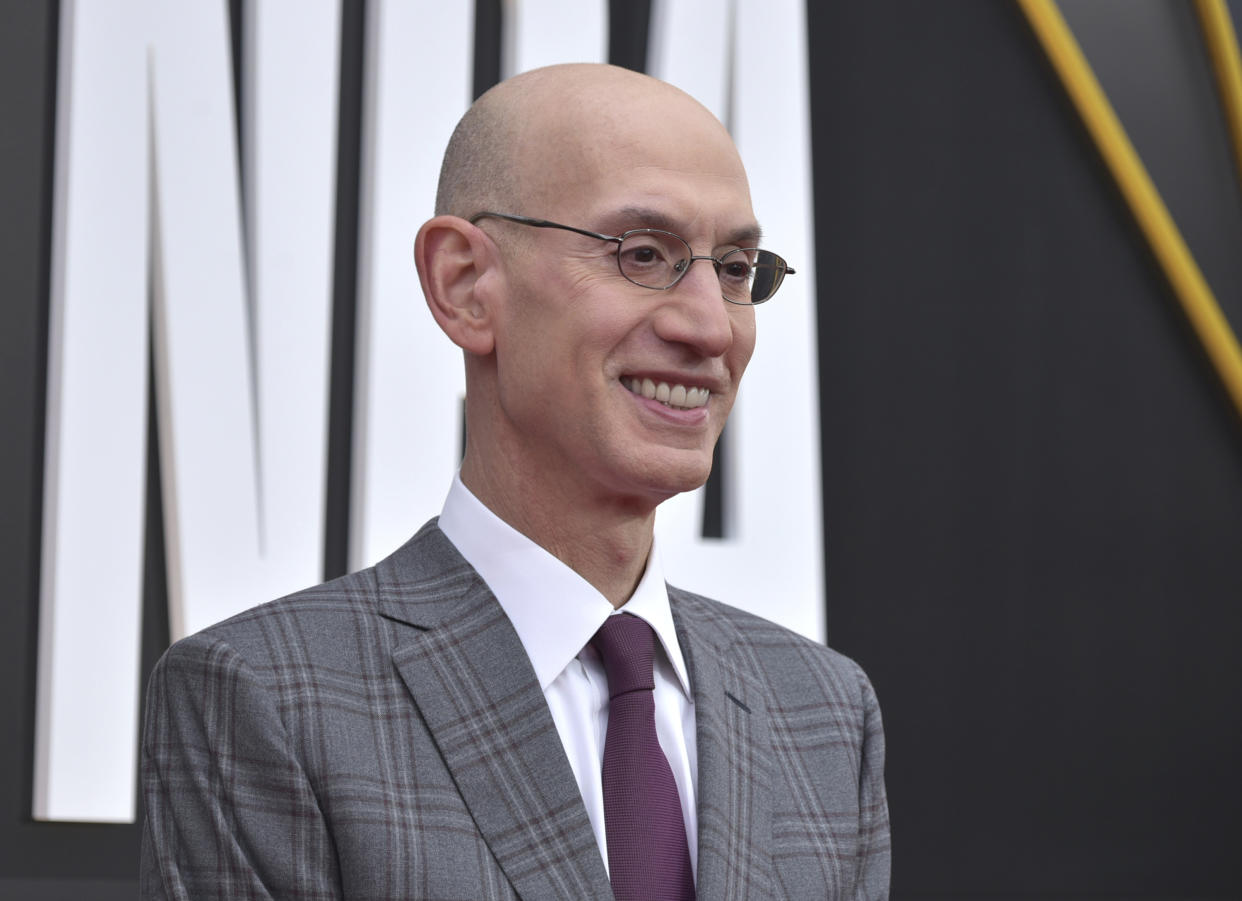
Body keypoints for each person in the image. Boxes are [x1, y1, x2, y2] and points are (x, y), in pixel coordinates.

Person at [140, 63, 890, 900]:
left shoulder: (822, 714)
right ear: (465, 283)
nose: (711, 325)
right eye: (644, 254)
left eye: (738, 268)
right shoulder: (270, 696)